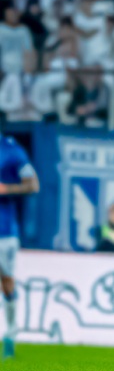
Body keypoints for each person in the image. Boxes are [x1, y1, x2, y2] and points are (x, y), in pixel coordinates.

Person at [0, 132, 39, 359]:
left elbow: (33, 184)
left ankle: (10, 334)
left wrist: (6, 189)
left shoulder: (11, 151)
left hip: (4, 231)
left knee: (6, 282)